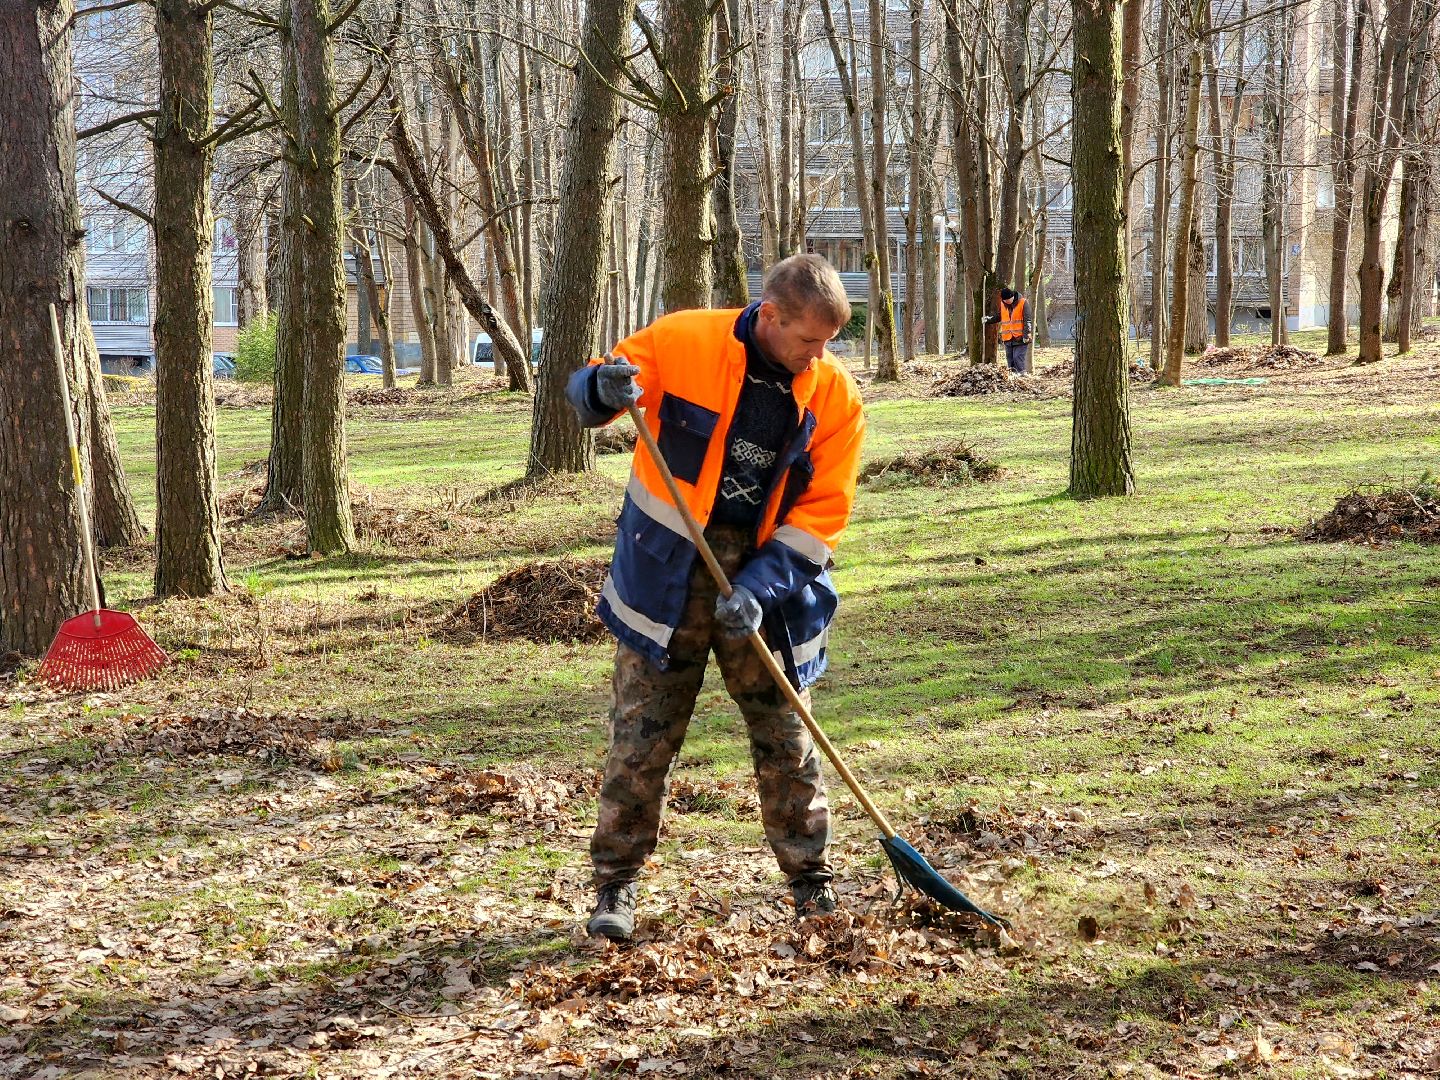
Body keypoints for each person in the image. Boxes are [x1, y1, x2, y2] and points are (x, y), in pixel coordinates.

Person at [565, 254, 867, 942]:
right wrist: (600, 387)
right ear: (771, 316)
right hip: (666, 575)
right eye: (808, 340)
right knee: (641, 734)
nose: (819, 355)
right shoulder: (685, 340)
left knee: (787, 735)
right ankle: (615, 884)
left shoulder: (835, 396)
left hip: (770, 584)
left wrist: (759, 589)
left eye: (828, 342)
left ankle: (810, 881)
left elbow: (822, 513)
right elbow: (597, 386)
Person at [984, 286, 1032, 374]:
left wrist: (1026, 335)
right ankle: (1013, 376)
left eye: (1008, 300)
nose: (1006, 302)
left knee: (1018, 357)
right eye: (1004, 300)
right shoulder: (1003, 304)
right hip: (1008, 338)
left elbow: (1027, 320)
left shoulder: (1023, 302)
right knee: (1010, 360)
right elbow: (999, 316)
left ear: (1012, 296)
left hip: (1021, 337)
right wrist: (988, 320)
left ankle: (1022, 375)